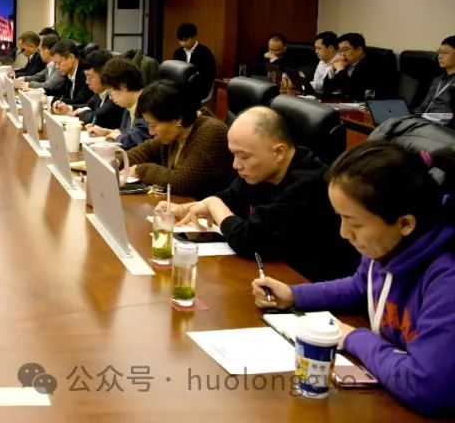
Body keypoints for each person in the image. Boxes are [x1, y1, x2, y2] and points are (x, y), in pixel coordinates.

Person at [251, 142, 455, 417]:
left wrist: (353, 337)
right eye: (340, 218)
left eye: (355, 223)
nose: (344, 233)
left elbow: (425, 386)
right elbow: (362, 285)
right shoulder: (388, 247)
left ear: (405, 223)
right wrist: (294, 295)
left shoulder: (446, 279)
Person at [161, 107, 359, 281]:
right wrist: (189, 208)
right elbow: (230, 197)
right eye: (234, 155)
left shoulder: (310, 184)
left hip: (310, 286)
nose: (236, 165)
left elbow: (250, 240)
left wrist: (213, 204)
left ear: (278, 152)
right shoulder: (264, 170)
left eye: (244, 156)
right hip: (272, 273)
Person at [126, 80, 235, 197]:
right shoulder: (177, 131)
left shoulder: (212, 133)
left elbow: (182, 182)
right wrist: (117, 161)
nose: (150, 132)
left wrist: (140, 171)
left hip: (209, 206)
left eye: (153, 125)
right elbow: (147, 150)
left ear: (177, 119)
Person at [86, 58, 150, 149]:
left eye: (110, 92)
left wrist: (117, 137)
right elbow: (124, 131)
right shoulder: (129, 105)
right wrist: (106, 132)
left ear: (123, 86)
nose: (111, 98)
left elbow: (137, 140)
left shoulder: (147, 105)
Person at [53, 50, 124, 129]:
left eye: (89, 77)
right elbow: (87, 106)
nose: (87, 82)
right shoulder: (99, 93)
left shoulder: (115, 96)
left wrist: (83, 113)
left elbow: (93, 117)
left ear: (104, 76)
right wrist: (68, 109)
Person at [324, 32, 386, 100]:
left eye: (345, 50)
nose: (342, 54)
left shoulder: (372, 64)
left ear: (359, 49)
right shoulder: (346, 63)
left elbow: (355, 93)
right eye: (340, 51)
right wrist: (332, 70)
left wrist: (340, 70)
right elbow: (326, 90)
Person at [414, 35, 455, 115]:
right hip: (424, 118)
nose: (440, 56)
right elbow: (424, 106)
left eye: (445, 52)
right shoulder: (438, 79)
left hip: (443, 121)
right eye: (439, 52)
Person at [172, 23, 216, 96]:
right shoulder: (178, 53)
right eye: (180, 40)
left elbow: (208, 76)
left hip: (198, 89)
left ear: (194, 37)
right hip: (181, 88)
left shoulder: (205, 53)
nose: (182, 43)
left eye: (185, 40)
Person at [44, 39, 92, 107]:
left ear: (71, 57)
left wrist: (50, 100)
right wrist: (41, 91)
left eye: (59, 63)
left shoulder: (86, 73)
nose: (57, 67)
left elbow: (80, 101)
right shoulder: (68, 72)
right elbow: (60, 93)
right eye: (55, 64)